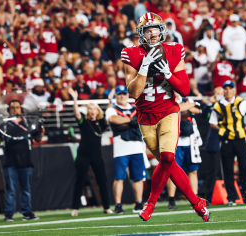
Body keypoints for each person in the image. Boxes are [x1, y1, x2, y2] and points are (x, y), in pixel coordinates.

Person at [122, 12, 210, 222]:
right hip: (145, 117)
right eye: (148, 30)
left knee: (168, 158)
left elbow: (186, 89)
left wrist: (169, 74)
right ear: (141, 33)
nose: (152, 33)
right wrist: (143, 68)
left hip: (169, 111)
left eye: (155, 29)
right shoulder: (131, 53)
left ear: (162, 30)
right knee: (167, 163)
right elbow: (134, 92)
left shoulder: (173, 50)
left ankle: (150, 203)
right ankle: (198, 203)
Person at [0, 99, 44, 222]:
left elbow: (38, 138)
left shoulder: (28, 123)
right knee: (10, 190)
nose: (15, 110)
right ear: (9, 110)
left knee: (26, 189)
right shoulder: (3, 124)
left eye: (17, 107)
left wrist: (42, 129)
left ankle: (27, 213)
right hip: (10, 161)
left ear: (21, 109)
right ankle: (9, 214)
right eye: (13, 108)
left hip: (26, 160)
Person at [209, 81, 246, 205]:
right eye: (226, 88)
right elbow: (212, 122)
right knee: (227, 169)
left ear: (234, 90)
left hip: (240, 139)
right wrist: (222, 131)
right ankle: (231, 198)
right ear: (223, 91)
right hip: (226, 140)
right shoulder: (219, 105)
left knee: (244, 168)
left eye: (230, 88)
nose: (228, 90)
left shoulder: (241, 102)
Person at [68, 88, 113, 216]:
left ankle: (106, 207)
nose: (92, 111)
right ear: (87, 111)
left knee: (102, 181)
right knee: (79, 181)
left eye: (94, 109)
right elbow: (77, 114)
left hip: (97, 156)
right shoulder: (84, 121)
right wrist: (75, 99)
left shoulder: (101, 124)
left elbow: (108, 114)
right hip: (82, 155)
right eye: (90, 109)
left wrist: (110, 99)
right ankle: (75, 208)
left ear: (97, 111)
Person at [106, 85, 148, 214]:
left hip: (136, 146)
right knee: (119, 177)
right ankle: (118, 204)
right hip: (121, 148)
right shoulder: (112, 110)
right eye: (119, 94)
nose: (122, 96)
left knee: (138, 178)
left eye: (124, 94)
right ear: (116, 96)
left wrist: (125, 123)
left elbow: (143, 120)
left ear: (127, 95)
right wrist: (131, 121)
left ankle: (139, 203)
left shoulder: (135, 108)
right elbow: (113, 119)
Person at [166, 92, 202, 210]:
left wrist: (183, 108)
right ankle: (171, 199)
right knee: (173, 172)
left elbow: (197, 110)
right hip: (174, 141)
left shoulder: (187, 99)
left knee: (193, 170)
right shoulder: (166, 99)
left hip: (190, 141)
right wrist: (187, 107)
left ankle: (195, 199)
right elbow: (174, 110)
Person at [201, 87, 224, 203]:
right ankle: (208, 196)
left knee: (226, 169)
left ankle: (229, 194)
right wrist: (210, 103)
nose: (220, 95)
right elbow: (204, 115)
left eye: (222, 93)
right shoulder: (212, 106)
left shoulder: (227, 105)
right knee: (212, 171)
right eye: (218, 94)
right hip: (214, 141)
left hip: (226, 140)